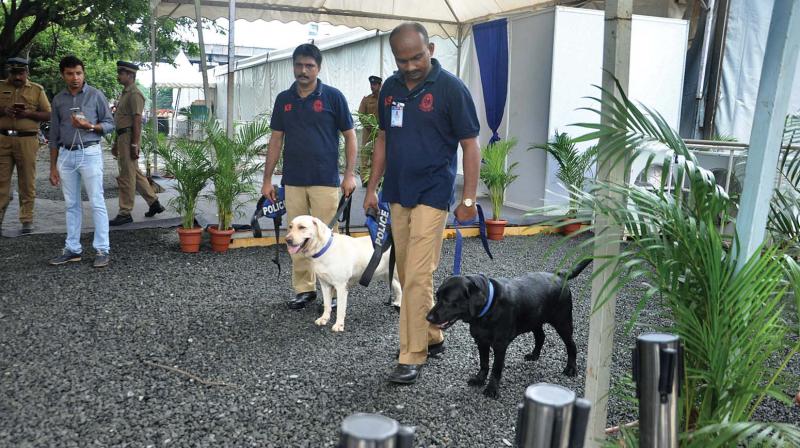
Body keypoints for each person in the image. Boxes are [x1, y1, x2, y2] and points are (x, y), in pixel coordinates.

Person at [364, 22, 481, 384]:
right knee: (406, 273)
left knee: (416, 275)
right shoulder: (390, 90)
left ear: (430, 48)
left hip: (433, 193)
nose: (411, 66)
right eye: (403, 60)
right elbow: (383, 138)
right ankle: (432, 336)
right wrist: (372, 187)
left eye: (417, 57)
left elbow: (471, 146)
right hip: (398, 192)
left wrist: (468, 198)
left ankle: (411, 354)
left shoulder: (451, 88)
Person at [260, 43, 358, 310]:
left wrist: (349, 175)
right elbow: (276, 140)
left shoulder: (333, 97)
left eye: (309, 66)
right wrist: (267, 180)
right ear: (293, 66)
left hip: (325, 181)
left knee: (328, 239)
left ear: (318, 68)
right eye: (299, 65)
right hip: (292, 180)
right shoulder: (284, 99)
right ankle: (305, 289)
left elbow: (350, 137)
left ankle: (335, 292)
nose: (303, 71)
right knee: (296, 238)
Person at [48, 55, 114, 268]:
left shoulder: (95, 95)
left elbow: (110, 124)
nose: (75, 77)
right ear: (63, 75)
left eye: (78, 73)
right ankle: (72, 249)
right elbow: (54, 135)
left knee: (96, 201)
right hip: (66, 155)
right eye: (69, 73)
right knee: (71, 204)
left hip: (90, 151)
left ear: (83, 73)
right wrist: (53, 167)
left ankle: (103, 249)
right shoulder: (58, 99)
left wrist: (91, 127)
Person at [108, 61, 164, 226]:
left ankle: (125, 212)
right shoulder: (125, 92)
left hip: (129, 138)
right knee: (135, 174)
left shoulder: (134, 94)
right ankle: (154, 203)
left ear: (130, 75)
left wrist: (134, 144)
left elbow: (137, 120)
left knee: (126, 176)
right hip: (123, 137)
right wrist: (116, 142)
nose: (118, 76)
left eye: (121, 73)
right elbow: (121, 120)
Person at [0, 57, 52, 236]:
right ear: (9, 72)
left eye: (21, 73)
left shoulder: (37, 90)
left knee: (27, 181)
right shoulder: (1, 86)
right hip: (3, 140)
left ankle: (27, 219)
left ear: (27, 73)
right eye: (14, 73)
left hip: (27, 140)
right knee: (1, 182)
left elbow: (48, 115)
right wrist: (3, 111)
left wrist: (29, 113)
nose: (17, 77)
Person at [356, 75, 381, 185]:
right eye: (371, 84)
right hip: (368, 132)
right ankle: (365, 179)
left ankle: (378, 179)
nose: (372, 86)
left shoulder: (385, 99)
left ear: (380, 85)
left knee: (379, 155)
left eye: (374, 84)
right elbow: (361, 115)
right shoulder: (366, 99)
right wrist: (371, 126)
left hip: (381, 133)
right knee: (365, 156)